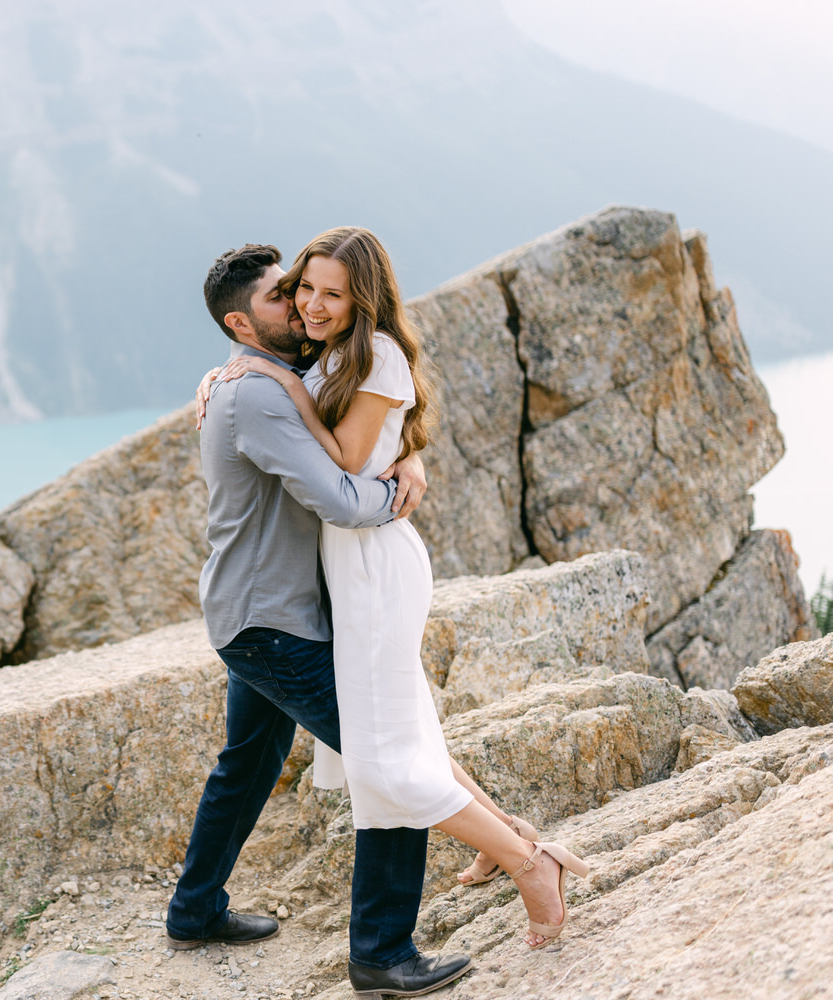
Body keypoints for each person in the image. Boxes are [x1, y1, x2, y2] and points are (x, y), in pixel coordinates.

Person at [202, 230, 590, 963]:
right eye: (297, 291)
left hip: (374, 560)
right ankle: (516, 845)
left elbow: (351, 466)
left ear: (361, 299)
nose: (306, 304)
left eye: (323, 292)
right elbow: (346, 434)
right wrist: (254, 378)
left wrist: (396, 466)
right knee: (393, 742)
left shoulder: (362, 352)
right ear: (245, 327)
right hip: (340, 573)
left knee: (386, 757)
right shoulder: (308, 357)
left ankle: (520, 865)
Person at [164, 242, 471, 999]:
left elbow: (356, 418)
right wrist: (399, 495)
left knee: (250, 761)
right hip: (272, 623)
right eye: (283, 297)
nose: (300, 304)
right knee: (383, 756)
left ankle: (194, 908)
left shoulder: (272, 373)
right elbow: (338, 497)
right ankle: (382, 953)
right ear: (241, 322)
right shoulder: (256, 391)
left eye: (302, 289)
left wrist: (413, 457)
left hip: (256, 611)